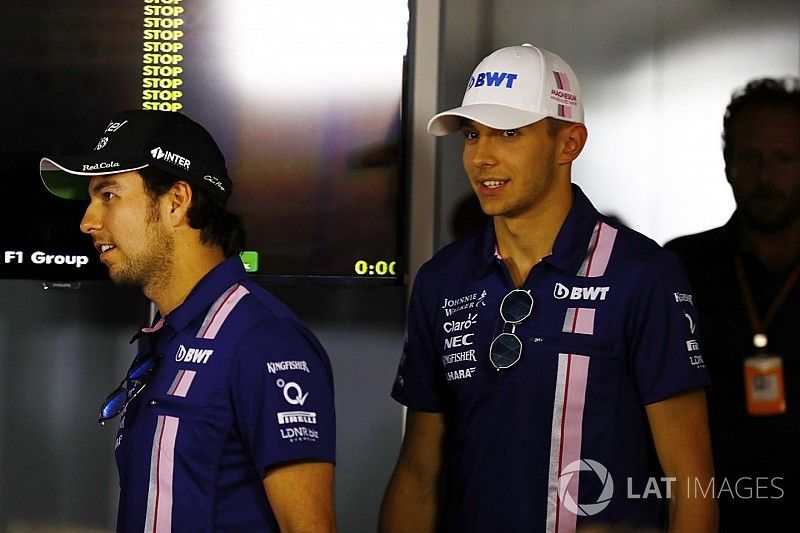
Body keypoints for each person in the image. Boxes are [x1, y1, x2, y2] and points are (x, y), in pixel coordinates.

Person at [379, 44, 718, 532]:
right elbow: (417, 475)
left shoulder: (643, 275)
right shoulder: (443, 280)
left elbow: (692, 484)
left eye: (508, 133)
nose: (481, 157)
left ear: (569, 144)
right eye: (472, 135)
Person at [39, 109, 337, 532]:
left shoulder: (264, 339)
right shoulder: (166, 338)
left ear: (176, 202)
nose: (88, 222)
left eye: (108, 195)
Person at [664, 77, 800, 530]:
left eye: (784, 158)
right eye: (750, 157)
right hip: (714, 507)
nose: (766, 178)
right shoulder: (683, 266)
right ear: (727, 163)